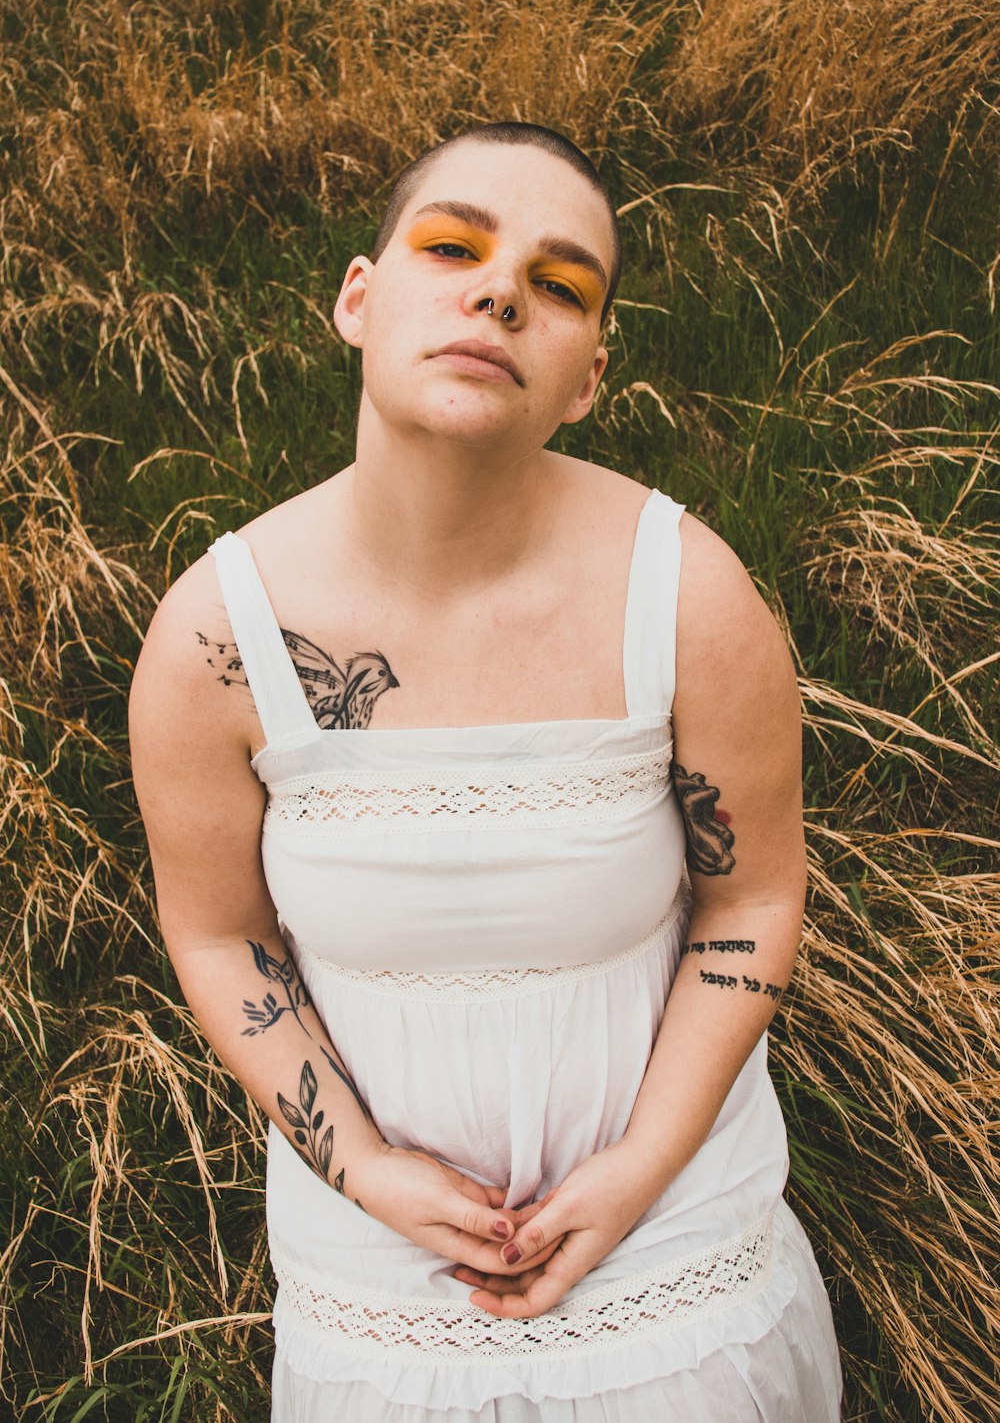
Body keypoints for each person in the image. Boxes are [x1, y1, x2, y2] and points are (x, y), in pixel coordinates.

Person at [129, 122, 842, 1421]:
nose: (502, 287)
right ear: (358, 295)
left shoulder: (686, 596)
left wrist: (636, 1171)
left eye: (561, 282)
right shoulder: (213, 638)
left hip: (674, 1260)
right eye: (452, 244)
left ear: (587, 376)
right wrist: (370, 1174)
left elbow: (751, 902)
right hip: (383, 1288)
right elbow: (220, 938)